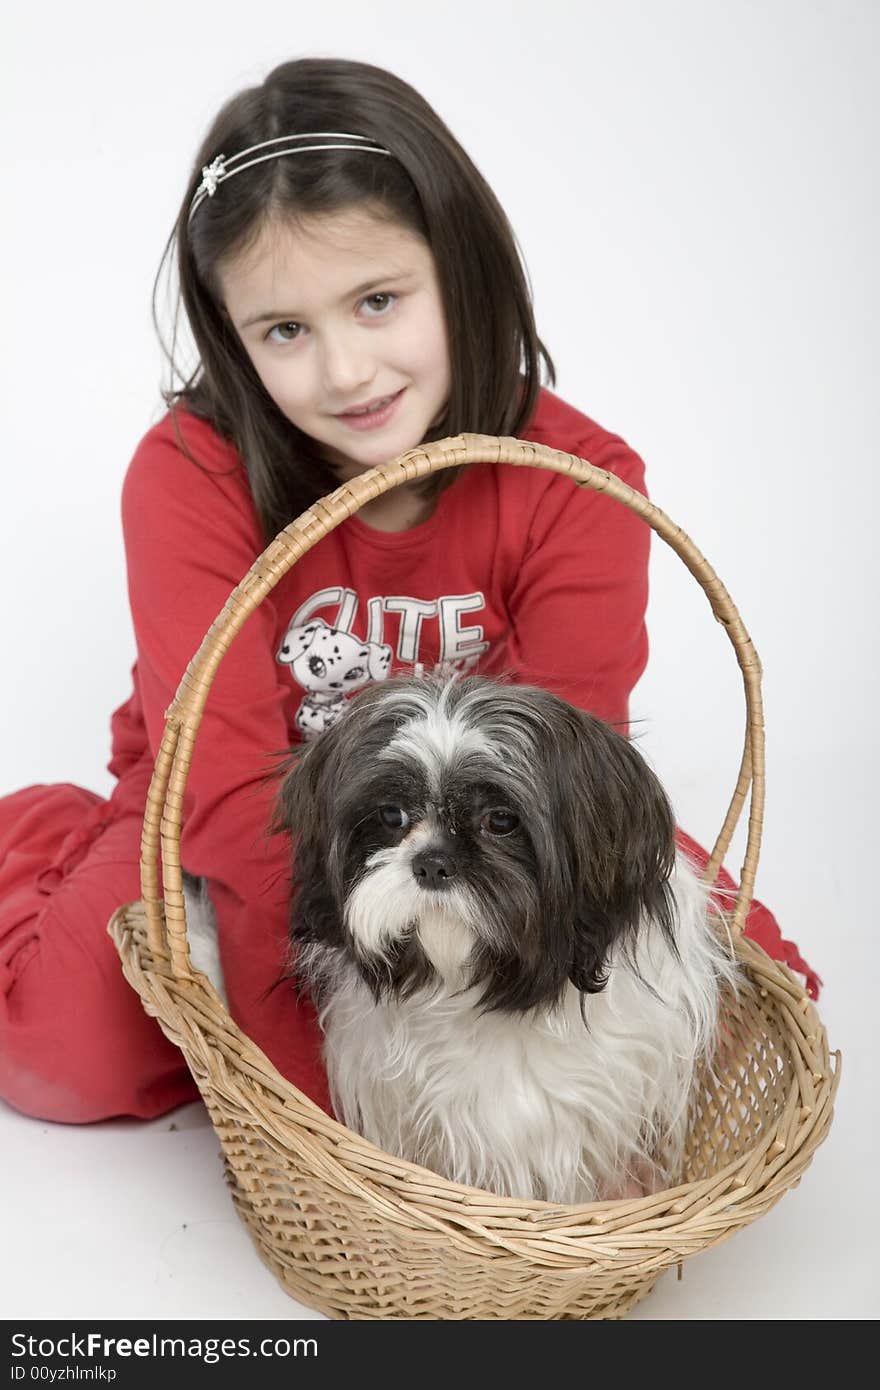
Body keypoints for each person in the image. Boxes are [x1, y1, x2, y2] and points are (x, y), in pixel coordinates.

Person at [0, 57, 820, 1126]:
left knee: (745, 985)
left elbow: (570, 776)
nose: (345, 372)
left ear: (460, 271)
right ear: (233, 341)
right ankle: (39, 848)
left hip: (477, 824)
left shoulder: (579, 481)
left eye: (378, 301)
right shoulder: (190, 473)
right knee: (73, 1061)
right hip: (245, 820)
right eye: (284, 331)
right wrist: (326, 1100)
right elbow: (231, 792)